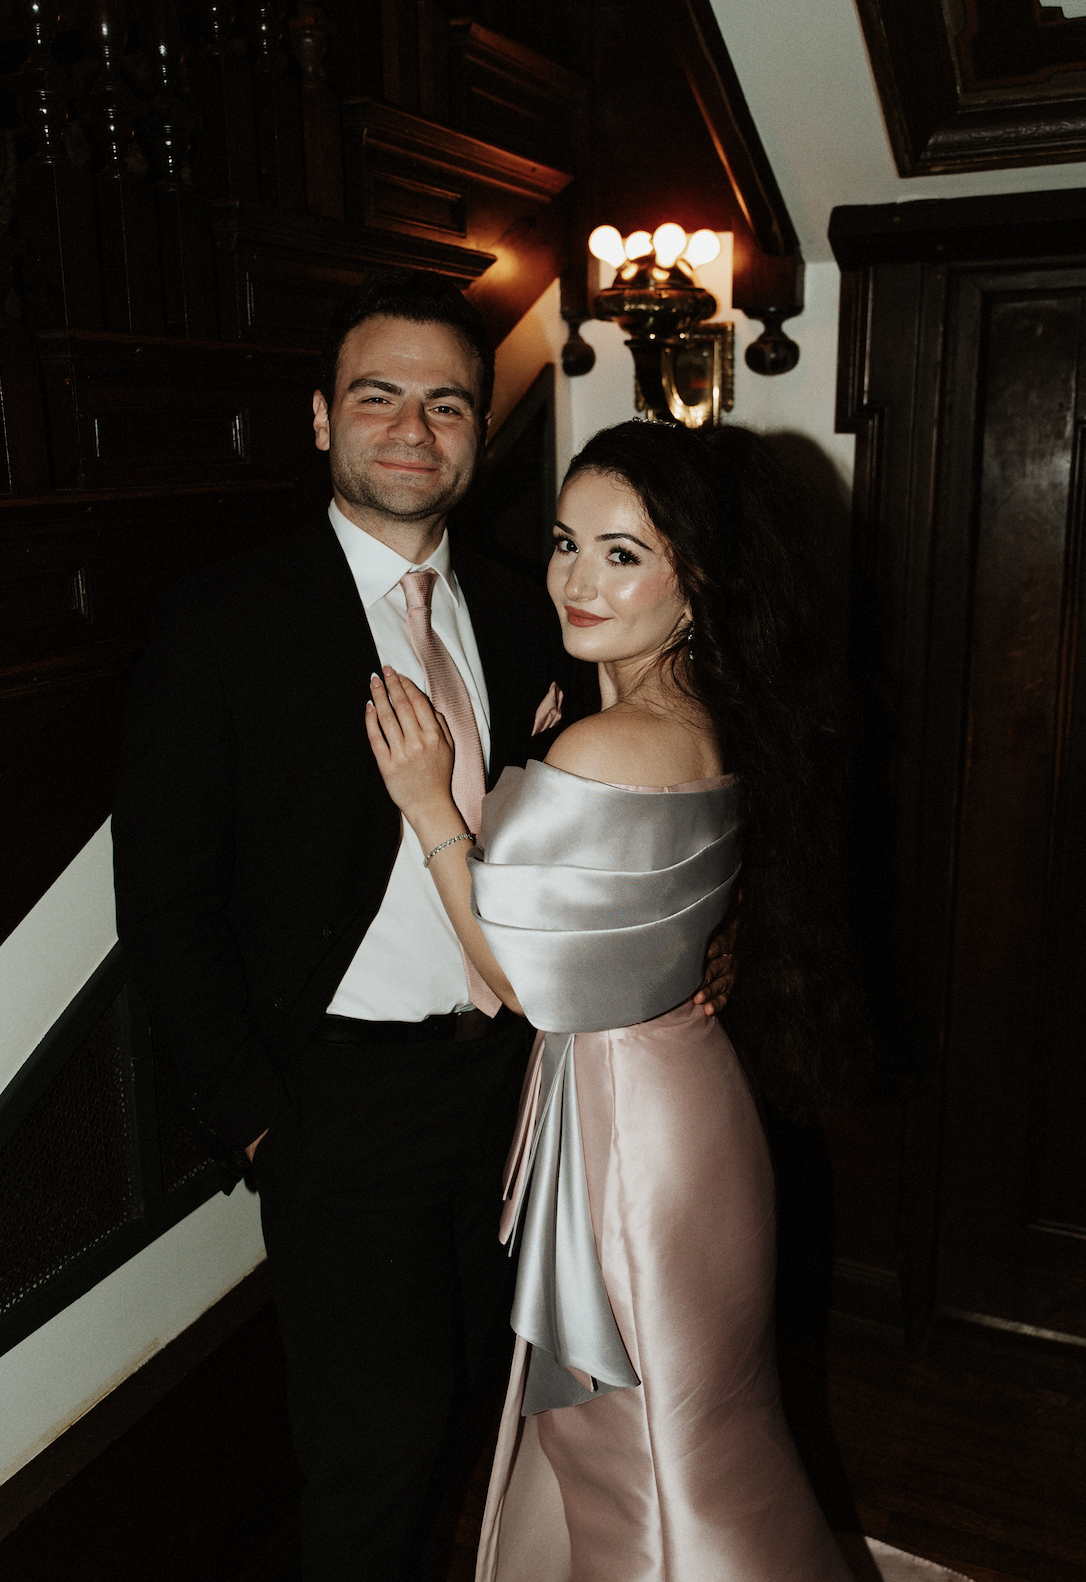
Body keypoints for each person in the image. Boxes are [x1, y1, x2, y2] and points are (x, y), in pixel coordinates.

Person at [112, 274, 733, 1582]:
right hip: (337, 1101)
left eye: (445, 400)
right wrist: (261, 1119)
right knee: (371, 1455)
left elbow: (596, 845)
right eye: (377, 395)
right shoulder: (219, 620)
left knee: (472, 1403)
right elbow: (165, 901)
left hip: (521, 1095)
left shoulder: (532, 612)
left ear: (475, 430)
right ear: (321, 421)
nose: (412, 424)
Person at [364, 417, 867, 1581]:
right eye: (563, 541)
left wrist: (428, 796)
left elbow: (521, 980)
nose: (577, 579)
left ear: (697, 580)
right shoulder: (692, 721)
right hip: (676, 1102)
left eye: (623, 553)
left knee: (642, 1443)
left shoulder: (609, 745)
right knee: (692, 1424)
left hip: (630, 1135)